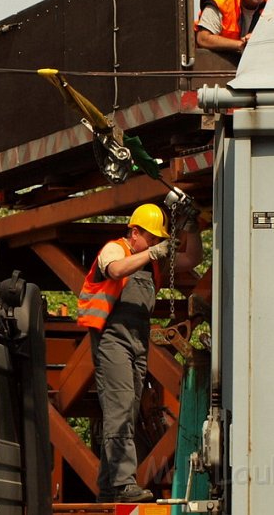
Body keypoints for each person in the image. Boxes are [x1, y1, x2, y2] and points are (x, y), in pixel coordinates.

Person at [78, 203, 203, 504]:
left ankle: (109, 489)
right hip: (113, 338)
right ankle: (122, 484)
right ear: (135, 233)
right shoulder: (115, 249)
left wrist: (193, 227)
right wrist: (153, 253)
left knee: (128, 412)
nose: (156, 243)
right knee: (120, 408)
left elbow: (192, 257)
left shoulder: (152, 262)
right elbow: (116, 269)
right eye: (151, 237)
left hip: (137, 340)